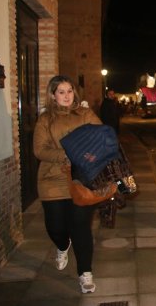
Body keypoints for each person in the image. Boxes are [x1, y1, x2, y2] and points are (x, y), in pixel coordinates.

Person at [33, 75, 101, 293]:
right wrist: (66, 155)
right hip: (52, 179)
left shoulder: (85, 114)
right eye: (61, 92)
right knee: (56, 227)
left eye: (69, 91)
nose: (66, 96)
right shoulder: (45, 119)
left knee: (81, 228)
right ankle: (62, 245)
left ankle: (85, 273)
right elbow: (39, 150)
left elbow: (101, 138)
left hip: (81, 179)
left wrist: (90, 154)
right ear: (53, 95)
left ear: (74, 93)